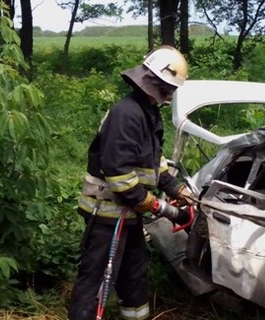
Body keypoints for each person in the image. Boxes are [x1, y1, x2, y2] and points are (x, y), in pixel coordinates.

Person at [67, 46, 195, 320]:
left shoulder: (148, 113)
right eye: (169, 86)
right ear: (153, 82)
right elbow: (119, 173)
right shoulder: (126, 114)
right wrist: (150, 203)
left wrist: (176, 189)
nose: (171, 93)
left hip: (130, 213)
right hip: (108, 214)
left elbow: (154, 163)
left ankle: (135, 316)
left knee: (134, 272)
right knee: (97, 278)